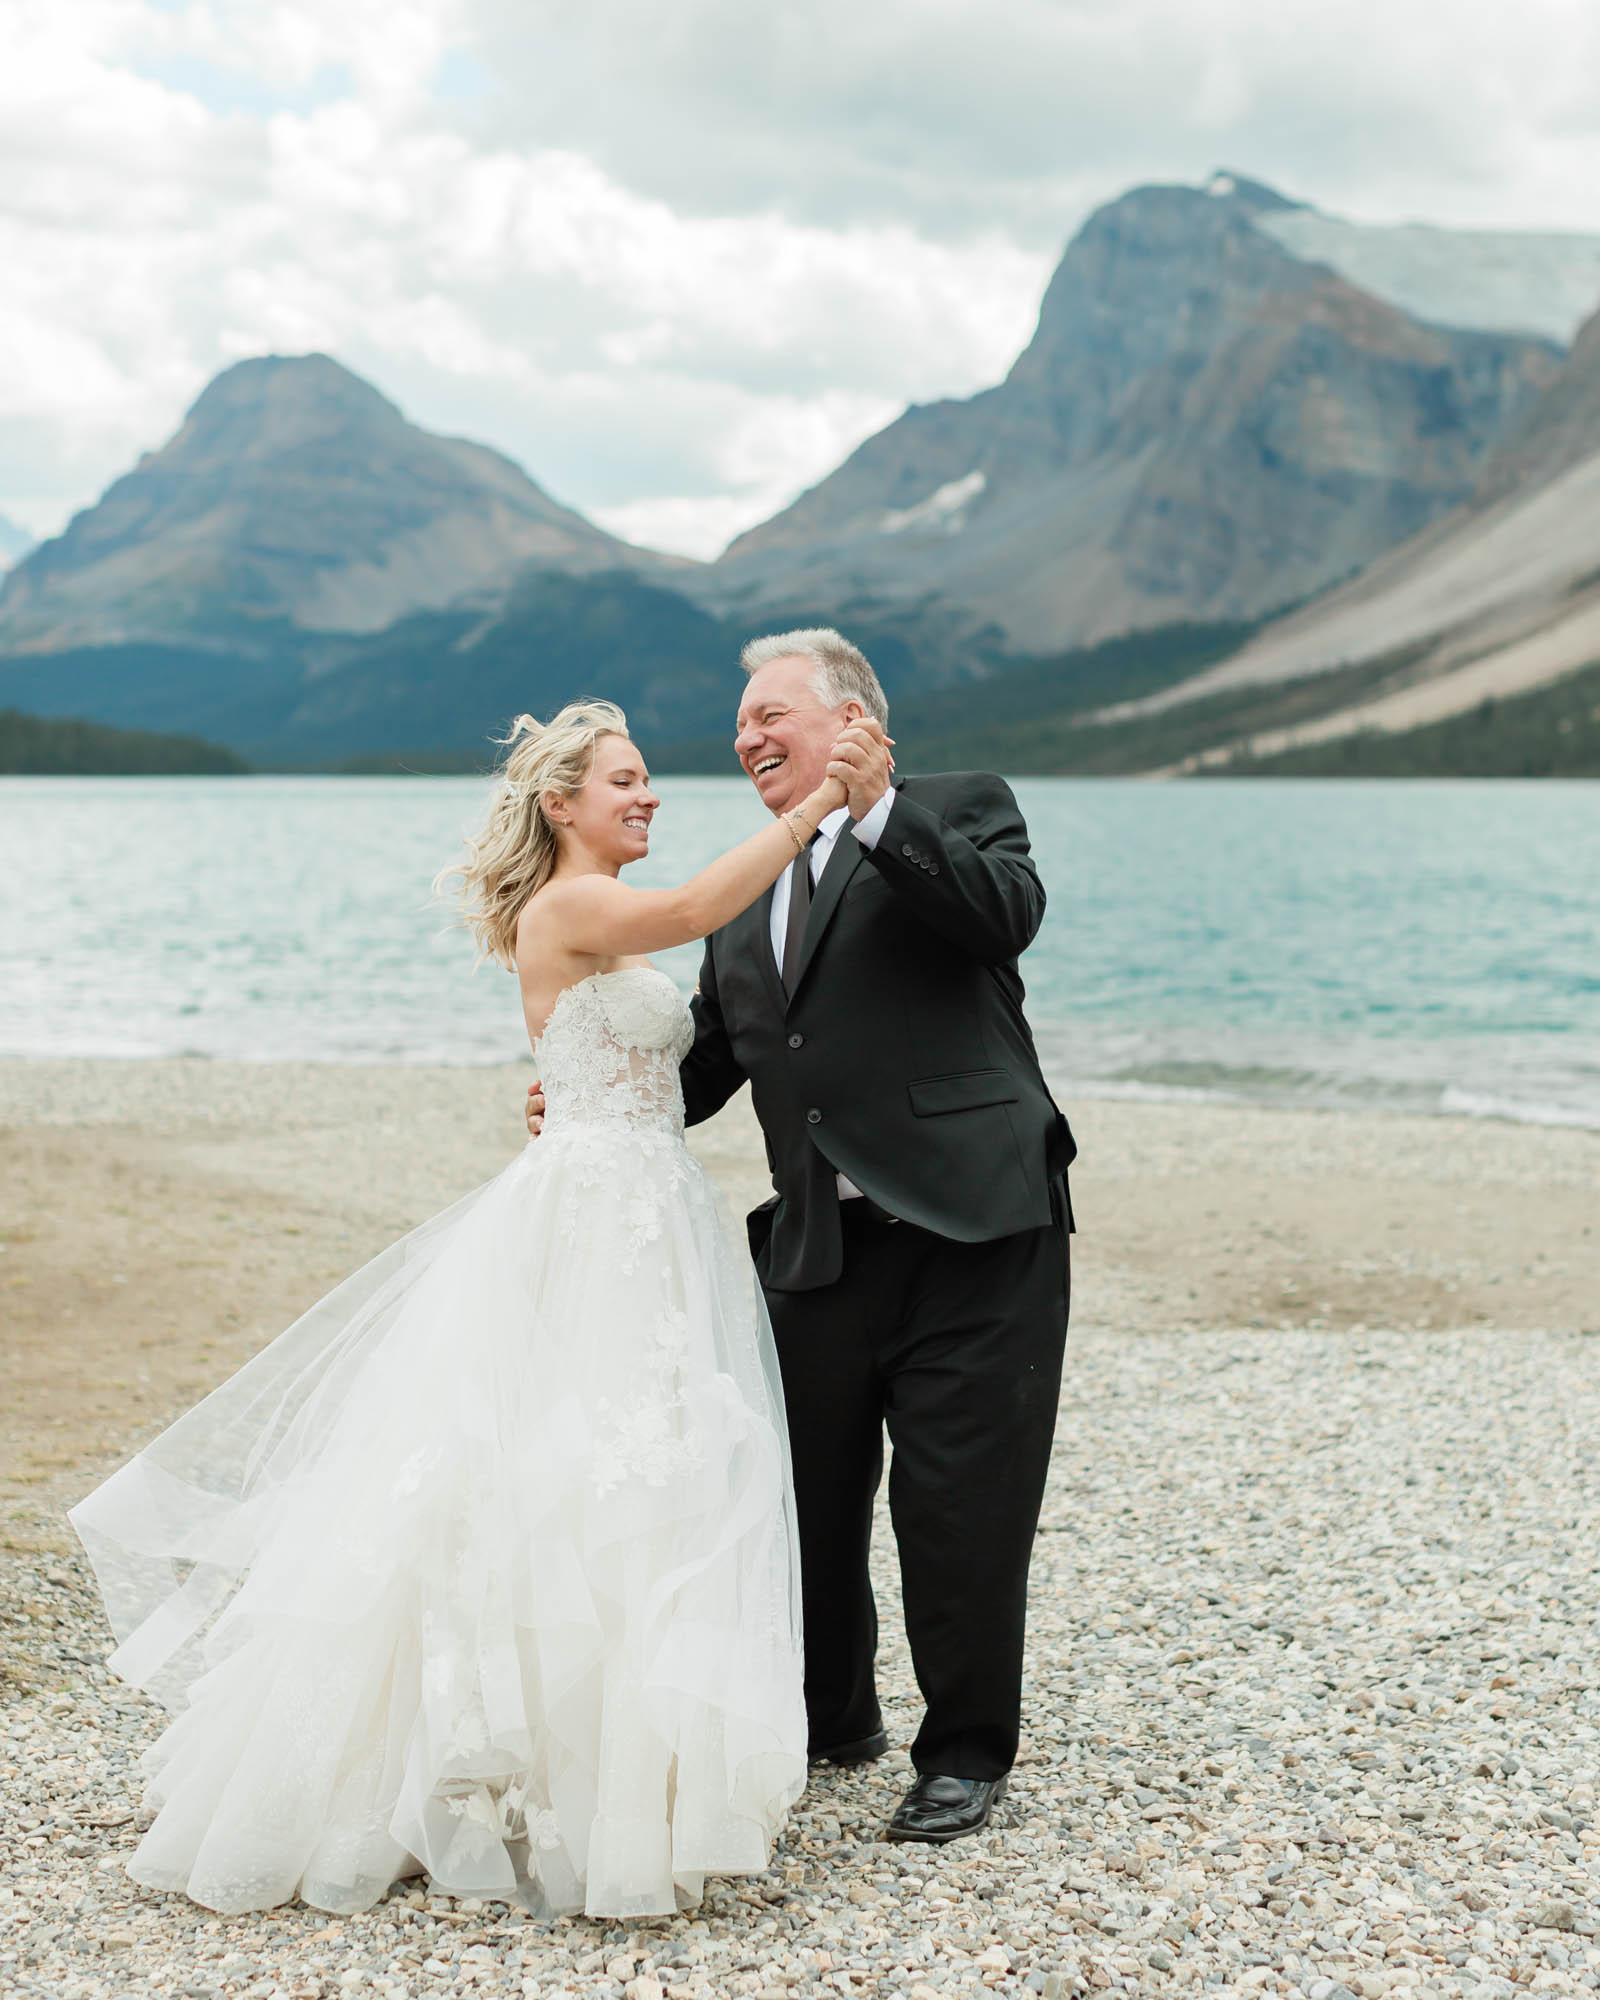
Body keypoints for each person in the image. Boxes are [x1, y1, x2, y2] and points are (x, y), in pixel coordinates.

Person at [68, 699, 859, 1919]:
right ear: (562, 805)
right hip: (599, 1215)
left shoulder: (595, 923)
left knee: (623, 1470)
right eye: (625, 781)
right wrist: (821, 804)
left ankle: (606, 1768)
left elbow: (637, 1053)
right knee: (571, 1465)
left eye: (647, 780)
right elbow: (703, 909)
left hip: (637, 1200)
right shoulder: (571, 906)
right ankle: (509, 1775)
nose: (649, 796)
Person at [528, 631, 1075, 1844]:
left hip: (976, 1225)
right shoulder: (746, 886)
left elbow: (1003, 920)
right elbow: (718, 1050)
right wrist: (589, 1090)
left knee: (961, 1506)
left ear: (852, 718)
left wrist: (881, 813)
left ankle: (965, 1750)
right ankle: (832, 1719)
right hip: (818, 1243)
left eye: (769, 711)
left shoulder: (958, 810)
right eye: (738, 721)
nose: (743, 736)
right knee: (797, 1499)